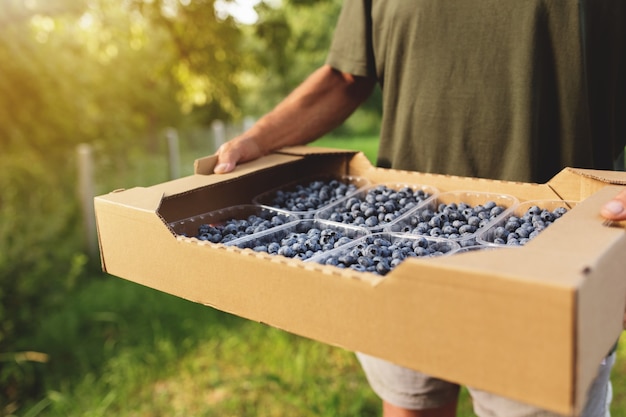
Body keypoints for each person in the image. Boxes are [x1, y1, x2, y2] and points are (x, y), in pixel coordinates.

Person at [213, 1, 626, 416]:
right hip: (392, 250)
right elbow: (346, 72)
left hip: (553, 259)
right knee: (412, 403)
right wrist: (261, 139)